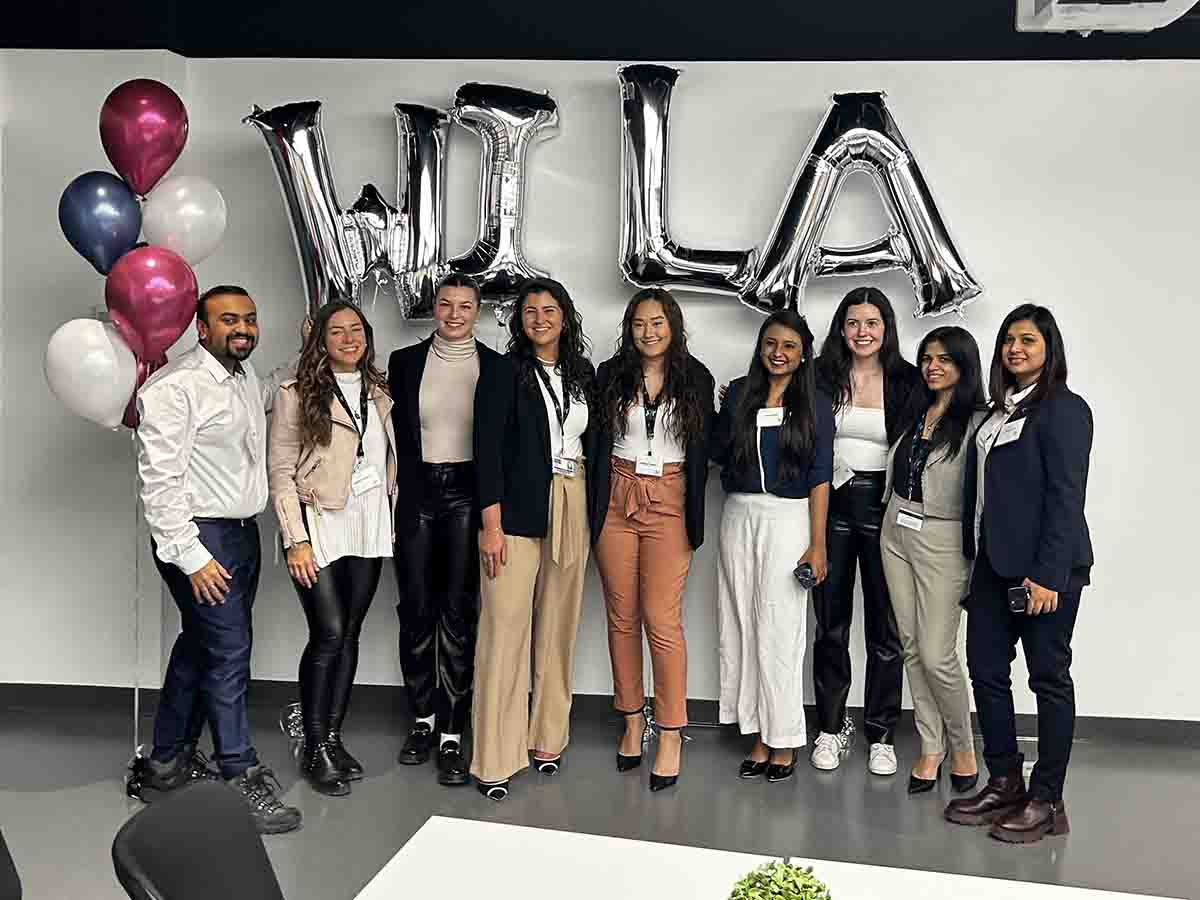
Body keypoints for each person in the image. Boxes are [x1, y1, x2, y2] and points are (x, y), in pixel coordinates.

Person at [135, 285, 301, 834]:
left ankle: (165, 764)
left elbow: (273, 392)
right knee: (230, 654)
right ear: (201, 329)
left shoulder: (242, 377)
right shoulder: (176, 387)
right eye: (229, 320)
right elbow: (160, 481)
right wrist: (191, 556)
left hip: (240, 534)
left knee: (199, 645)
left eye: (250, 319)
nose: (244, 329)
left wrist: (310, 349)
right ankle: (239, 773)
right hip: (201, 540)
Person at [945, 305, 1093, 844]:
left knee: (1048, 679)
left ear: (1048, 349)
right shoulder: (995, 414)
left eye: (1028, 341)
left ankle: (1048, 799)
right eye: (1008, 340)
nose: (1015, 349)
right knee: (985, 672)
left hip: (1045, 572)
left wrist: (1048, 576)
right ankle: (1004, 780)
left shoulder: (1064, 410)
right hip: (990, 567)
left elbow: (1065, 498)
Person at [470, 278, 595, 801]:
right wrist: (491, 526)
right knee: (505, 631)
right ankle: (495, 757)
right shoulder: (502, 373)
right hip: (515, 515)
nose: (539, 318)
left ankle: (547, 739)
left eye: (549, 309)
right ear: (518, 321)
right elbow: (487, 450)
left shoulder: (583, 375)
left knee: (558, 628)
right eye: (529, 311)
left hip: (573, 502)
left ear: (565, 316)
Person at [588, 287, 715, 793]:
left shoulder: (696, 377)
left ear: (673, 325)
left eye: (658, 322)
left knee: (662, 620)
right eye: (640, 323)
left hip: (669, 496)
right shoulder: (608, 374)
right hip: (616, 494)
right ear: (629, 327)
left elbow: (709, 444)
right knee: (622, 618)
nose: (649, 332)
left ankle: (670, 730)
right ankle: (632, 720)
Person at [268, 301, 397, 796]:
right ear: (319, 342)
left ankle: (334, 738)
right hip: (319, 522)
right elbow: (279, 471)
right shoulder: (295, 393)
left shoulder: (378, 390)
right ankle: (314, 744)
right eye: (337, 332)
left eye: (357, 330)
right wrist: (294, 539)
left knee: (352, 631)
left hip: (368, 521)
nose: (349, 339)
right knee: (329, 631)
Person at [387, 274, 506, 787]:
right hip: (416, 493)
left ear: (477, 311)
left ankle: (454, 731)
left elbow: (500, 446)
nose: (454, 314)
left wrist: (493, 520)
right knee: (415, 609)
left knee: (458, 613)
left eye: (465, 306)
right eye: (445, 304)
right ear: (432, 308)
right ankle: (423, 720)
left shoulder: (497, 367)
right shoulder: (403, 362)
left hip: (466, 493)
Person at [711, 310, 832, 783]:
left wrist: (817, 544)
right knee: (740, 623)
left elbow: (821, 475)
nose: (777, 353)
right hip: (738, 515)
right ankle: (756, 735)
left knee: (780, 628)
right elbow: (720, 454)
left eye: (788, 346)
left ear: (804, 354)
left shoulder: (816, 403)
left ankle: (783, 740)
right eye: (770, 344)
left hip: (787, 519)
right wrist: (722, 414)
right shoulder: (741, 393)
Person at [811, 286, 922, 776]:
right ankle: (831, 729)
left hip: (885, 509)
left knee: (886, 629)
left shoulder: (907, 379)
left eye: (872, 323)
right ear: (841, 327)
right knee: (831, 625)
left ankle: (881, 733)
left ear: (886, 329)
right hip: (829, 506)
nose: (862, 332)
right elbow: (773, 391)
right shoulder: (820, 376)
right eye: (854, 322)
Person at [879, 326, 986, 795]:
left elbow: (985, 497)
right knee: (909, 645)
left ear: (964, 365)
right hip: (895, 529)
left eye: (944, 358)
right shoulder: (914, 410)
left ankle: (963, 746)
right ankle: (931, 746)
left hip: (943, 537)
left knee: (938, 653)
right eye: (926, 358)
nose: (932, 366)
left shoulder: (981, 421)